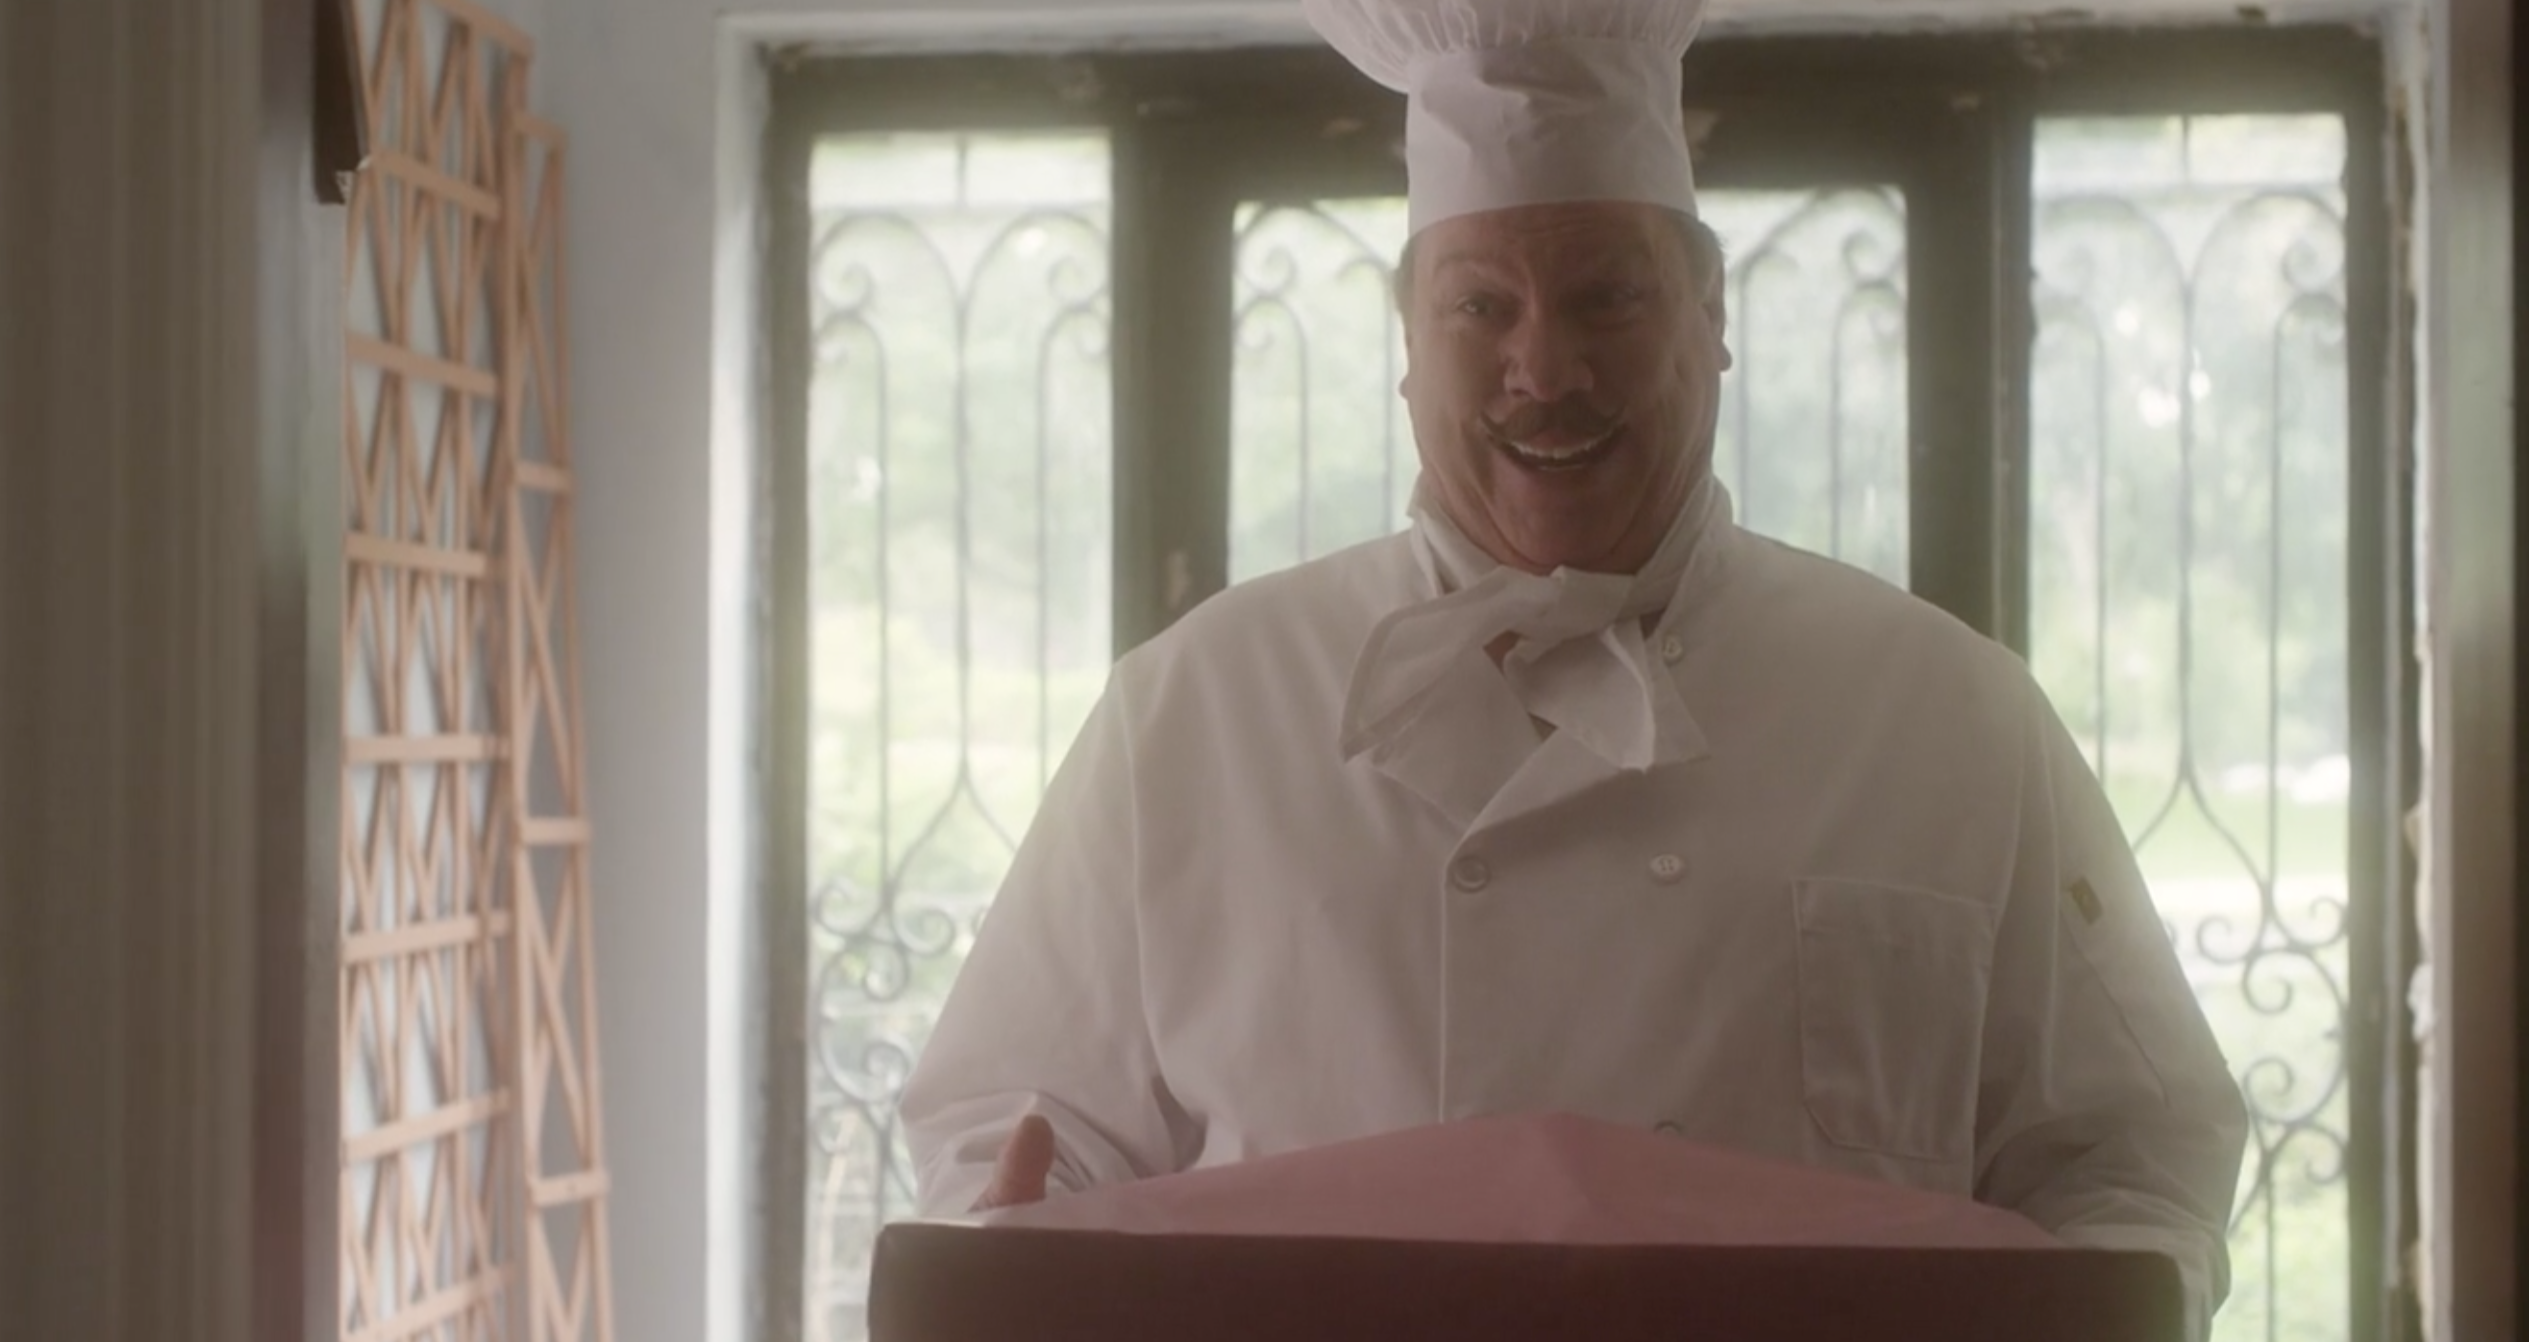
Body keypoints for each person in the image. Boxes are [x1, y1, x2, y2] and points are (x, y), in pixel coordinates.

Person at [899, 0, 2249, 1336]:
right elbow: (1015, 1141)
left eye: (1609, 294)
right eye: (1481, 304)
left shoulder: (1951, 713)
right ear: (1410, 344)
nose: (1544, 368)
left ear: (1711, 315)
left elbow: (2129, 1163)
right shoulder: (1192, 711)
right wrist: (1019, 1252)